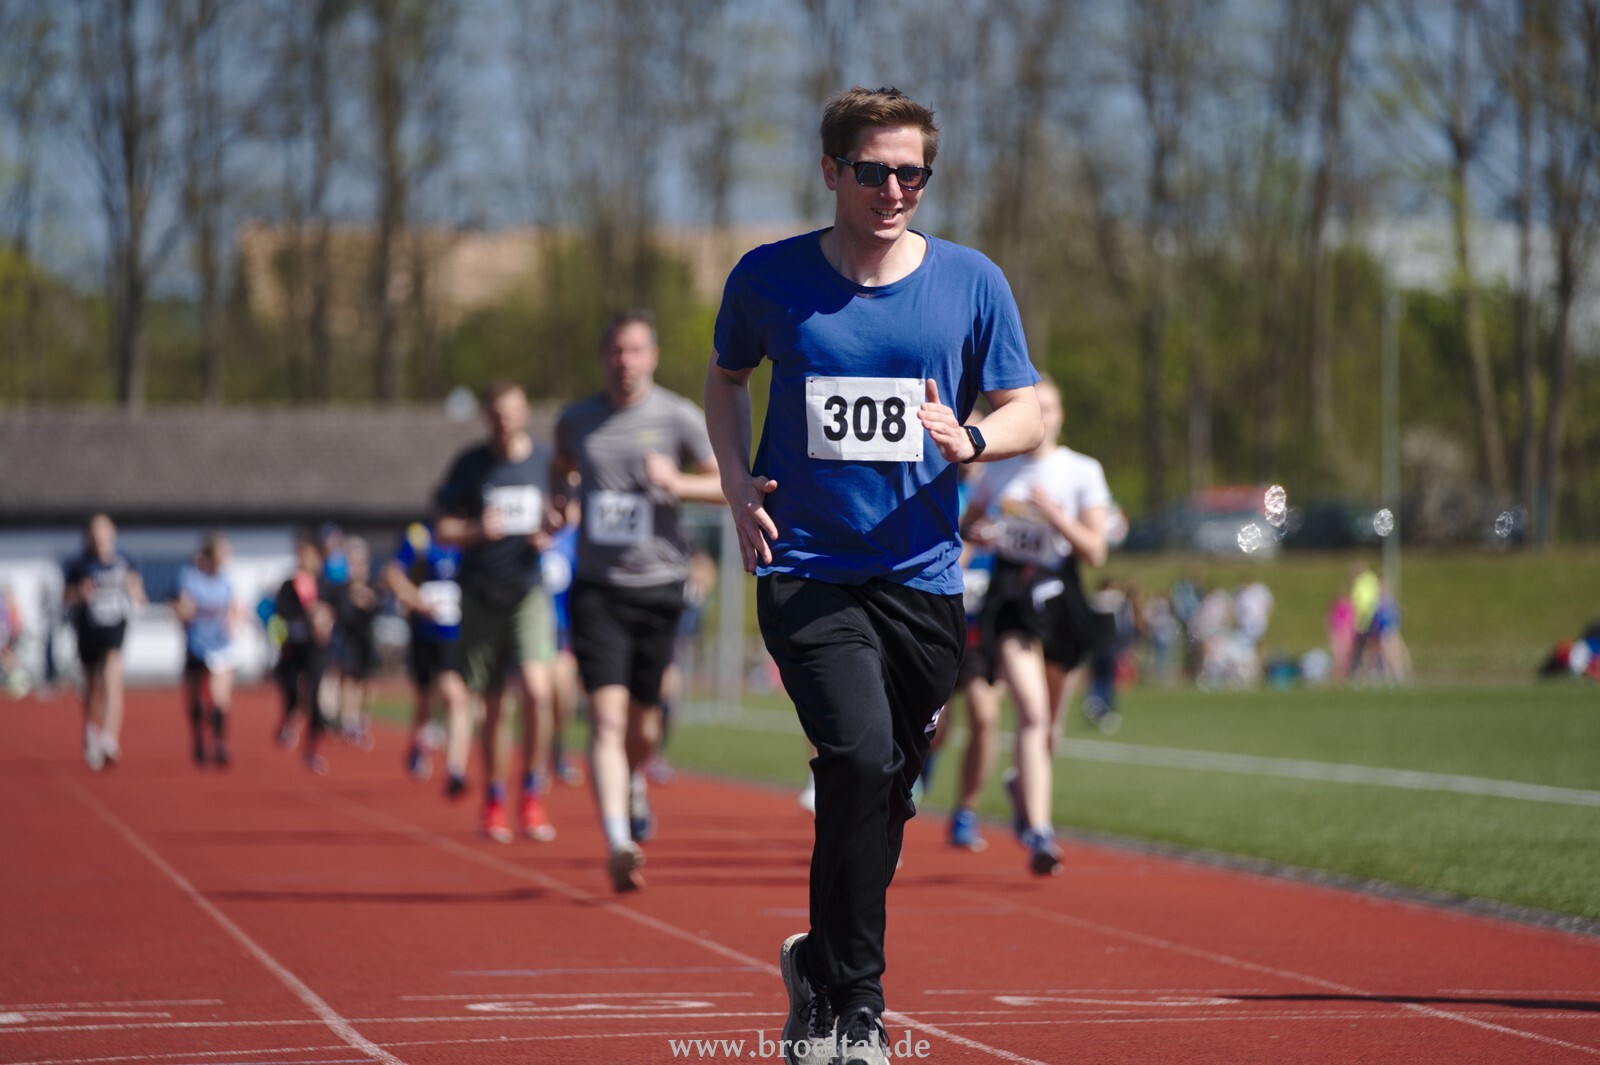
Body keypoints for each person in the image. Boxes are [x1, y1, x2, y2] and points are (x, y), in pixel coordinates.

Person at [703, 86, 1042, 1065]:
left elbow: (1022, 403)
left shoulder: (971, 282)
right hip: (808, 568)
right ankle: (859, 1009)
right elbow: (725, 379)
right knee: (854, 760)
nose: (894, 190)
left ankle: (817, 963)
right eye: (873, 171)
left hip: (924, 580)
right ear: (831, 171)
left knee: (884, 789)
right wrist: (734, 480)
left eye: (912, 174)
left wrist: (972, 437)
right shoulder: (769, 278)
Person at [551, 309, 723, 893]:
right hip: (598, 588)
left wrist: (678, 484)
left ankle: (634, 779)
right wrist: (558, 502)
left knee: (644, 726)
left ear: (652, 357)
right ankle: (618, 842)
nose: (625, 362)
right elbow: (559, 468)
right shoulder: (577, 420)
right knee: (605, 717)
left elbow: (729, 485)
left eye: (636, 351)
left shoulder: (677, 416)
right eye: (616, 351)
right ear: (604, 357)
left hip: (659, 587)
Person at [962, 377, 1109, 874]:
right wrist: (980, 533)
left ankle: (1021, 786)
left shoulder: (1082, 470)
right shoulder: (999, 468)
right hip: (1011, 597)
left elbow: (1095, 550)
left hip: (1061, 594)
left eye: (1049, 407)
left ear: (1061, 416)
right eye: (1034, 406)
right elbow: (968, 526)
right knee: (1033, 712)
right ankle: (1041, 834)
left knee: (1050, 727)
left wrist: (1056, 517)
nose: (1042, 417)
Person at [435, 380, 558, 845]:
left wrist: (553, 529)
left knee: (537, 691)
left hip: (527, 590)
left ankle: (532, 791)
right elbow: (442, 529)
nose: (504, 420)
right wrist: (475, 529)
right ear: (487, 416)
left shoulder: (546, 461)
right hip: (480, 591)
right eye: (497, 413)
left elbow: (570, 510)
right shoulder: (470, 465)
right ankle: (494, 798)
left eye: (512, 411)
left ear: (525, 413)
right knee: (492, 704)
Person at [385, 519, 474, 797]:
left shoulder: (472, 536)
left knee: (455, 695)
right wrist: (417, 601)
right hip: (424, 633)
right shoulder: (420, 536)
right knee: (425, 698)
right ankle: (419, 742)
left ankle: (455, 769)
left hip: (456, 635)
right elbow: (392, 573)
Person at [64, 514, 145, 770]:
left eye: (104, 534)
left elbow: (135, 584)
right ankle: (91, 729)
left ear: (112, 534)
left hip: (115, 626)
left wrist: (138, 595)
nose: (100, 540)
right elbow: (65, 595)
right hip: (88, 627)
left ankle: (110, 738)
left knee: (112, 679)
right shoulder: (80, 564)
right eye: (95, 535)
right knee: (92, 684)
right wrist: (79, 593)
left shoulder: (124, 560)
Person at [173, 531, 243, 767]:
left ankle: (220, 742)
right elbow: (182, 606)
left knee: (219, 697)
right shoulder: (190, 577)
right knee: (195, 698)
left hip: (221, 645)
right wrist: (184, 611)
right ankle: (198, 741)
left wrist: (235, 619)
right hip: (197, 644)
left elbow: (235, 606)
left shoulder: (226, 580)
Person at [273, 528, 335, 773]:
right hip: (293, 645)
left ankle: (312, 748)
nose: (305, 559)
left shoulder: (326, 585)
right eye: (302, 554)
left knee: (316, 695)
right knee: (291, 689)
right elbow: (282, 610)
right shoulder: (290, 585)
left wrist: (327, 616)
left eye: (310, 555)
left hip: (316, 647)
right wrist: (310, 613)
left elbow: (342, 609)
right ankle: (289, 718)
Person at [330, 536, 380, 751]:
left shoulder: (373, 588)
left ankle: (360, 718)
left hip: (366, 641)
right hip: (347, 641)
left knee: (366, 682)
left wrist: (370, 602)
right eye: (354, 562)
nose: (358, 567)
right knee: (349, 679)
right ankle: (348, 720)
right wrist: (353, 602)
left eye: (362, 562)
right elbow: (341, 615)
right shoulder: (340, 590)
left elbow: (377, 611)